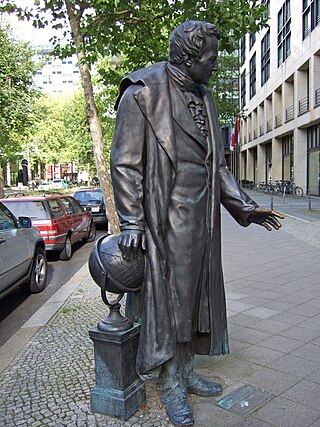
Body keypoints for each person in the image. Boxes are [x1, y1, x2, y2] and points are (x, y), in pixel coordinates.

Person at [110, 20, 283, 427]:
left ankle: (186, 371)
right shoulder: (142, 93)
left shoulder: (204, 96)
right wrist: (132, 221)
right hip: (164, 218)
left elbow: (216, 165)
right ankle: (170, 383)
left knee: (195, 300)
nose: (216, 66)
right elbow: (124, 163)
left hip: (203, 219)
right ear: (190, 59)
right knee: (171, 303)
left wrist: (244, 206)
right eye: (211, 58)